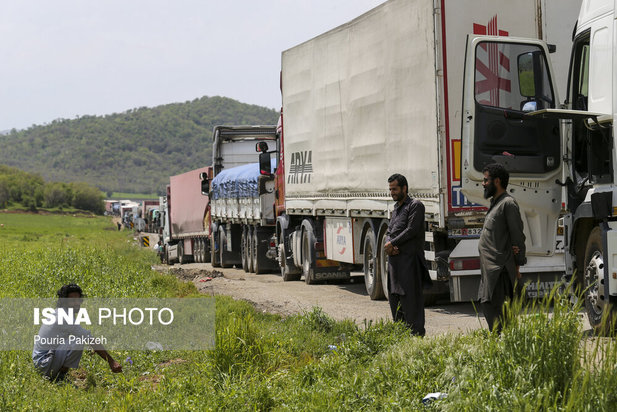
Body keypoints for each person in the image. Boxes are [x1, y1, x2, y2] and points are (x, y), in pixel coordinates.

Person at [32, 284, 122, 382]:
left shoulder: (63, 312)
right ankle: (59, 377)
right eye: (72, 300)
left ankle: (59, 375)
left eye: (78, 299)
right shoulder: (64, 316)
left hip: (42, 362)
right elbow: (88, 338)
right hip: (44, 364)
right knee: (79, 341)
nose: (76, 303)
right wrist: (111, 361)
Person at [478, 163, 527, 333]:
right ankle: (499, 349)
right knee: (487, 306)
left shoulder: (508, 204)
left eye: (486, 180)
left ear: (496, 181)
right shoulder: (495, 203)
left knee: (501, 317)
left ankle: (505, 351)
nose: (483, 183)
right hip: (489, 271)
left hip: (500, 271)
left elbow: (517, 237)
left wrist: (518, 266)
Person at [384, 173, 432, 336]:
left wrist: (392, 243)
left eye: (395, 189)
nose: (392, 192)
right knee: (396, 309)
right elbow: (390, 231)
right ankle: (401, 342)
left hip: (410, 267)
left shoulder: (415, 206)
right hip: (395, 269)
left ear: (405, 188)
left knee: (412, 310)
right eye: (390, 189)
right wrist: (390, 244)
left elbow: (411, 230)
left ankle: (417, 342)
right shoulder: (396, 208)